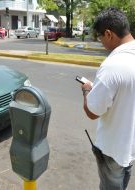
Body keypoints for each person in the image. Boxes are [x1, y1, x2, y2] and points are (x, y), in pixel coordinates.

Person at [81, 7, 135, 190]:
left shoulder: (112, 66)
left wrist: (87, 90)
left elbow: (92, 112)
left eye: (100, 37)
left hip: (113, 150)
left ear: (109, 34)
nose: (101, 42)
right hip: (130, 147)